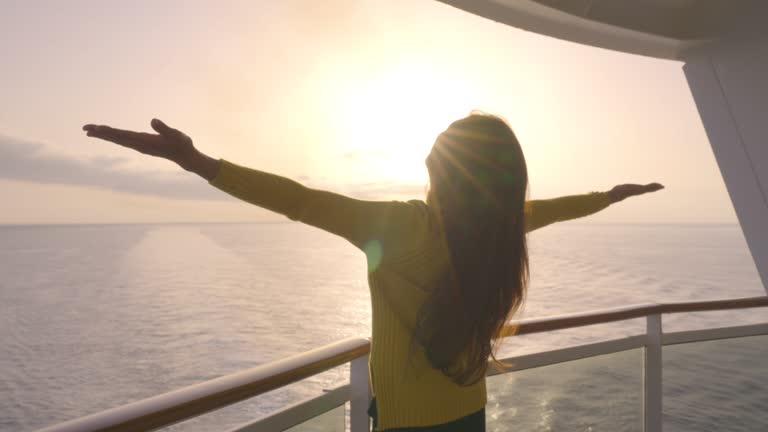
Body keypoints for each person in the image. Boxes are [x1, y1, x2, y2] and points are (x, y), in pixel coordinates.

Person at [83, 113, 663, 431]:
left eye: (434, 159)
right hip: (469, 413)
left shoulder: (399, 226)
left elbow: (298, 200)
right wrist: (607, 196)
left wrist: (197, 162)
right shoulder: (495, 232)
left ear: (440, 170)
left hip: (407, 424)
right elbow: (545, 211)